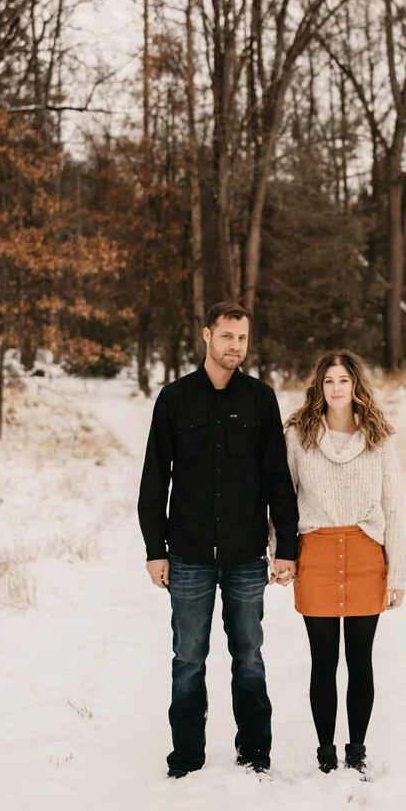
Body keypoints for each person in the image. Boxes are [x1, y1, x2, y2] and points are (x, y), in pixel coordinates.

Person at [138, 302, 299, 778]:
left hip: (246, 554)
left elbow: (277, 479)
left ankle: (255, 753)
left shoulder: (260, 399)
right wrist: (155, 550)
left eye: (242, 337)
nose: (236, 346)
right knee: (188, 659)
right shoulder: (175, 399)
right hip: (188, 555)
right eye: (227, 336)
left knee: (249, 657)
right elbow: (154, 480)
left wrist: (286, 547)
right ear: (207, 336)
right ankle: (186, 758)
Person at [284, 350, 406, 778]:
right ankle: (325, 753)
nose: (336, 388)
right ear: (319, 386)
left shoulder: (378, 438)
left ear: (356, 386)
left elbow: (394, 507)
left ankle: (356, 752)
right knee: (323, 661)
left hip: (366, 555)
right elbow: (282, 501)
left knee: (360, 660)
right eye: (329, 381)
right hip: (315, 554)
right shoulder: (298, 436)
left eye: (343, 380)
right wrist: (280, 553)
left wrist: (398, 573)